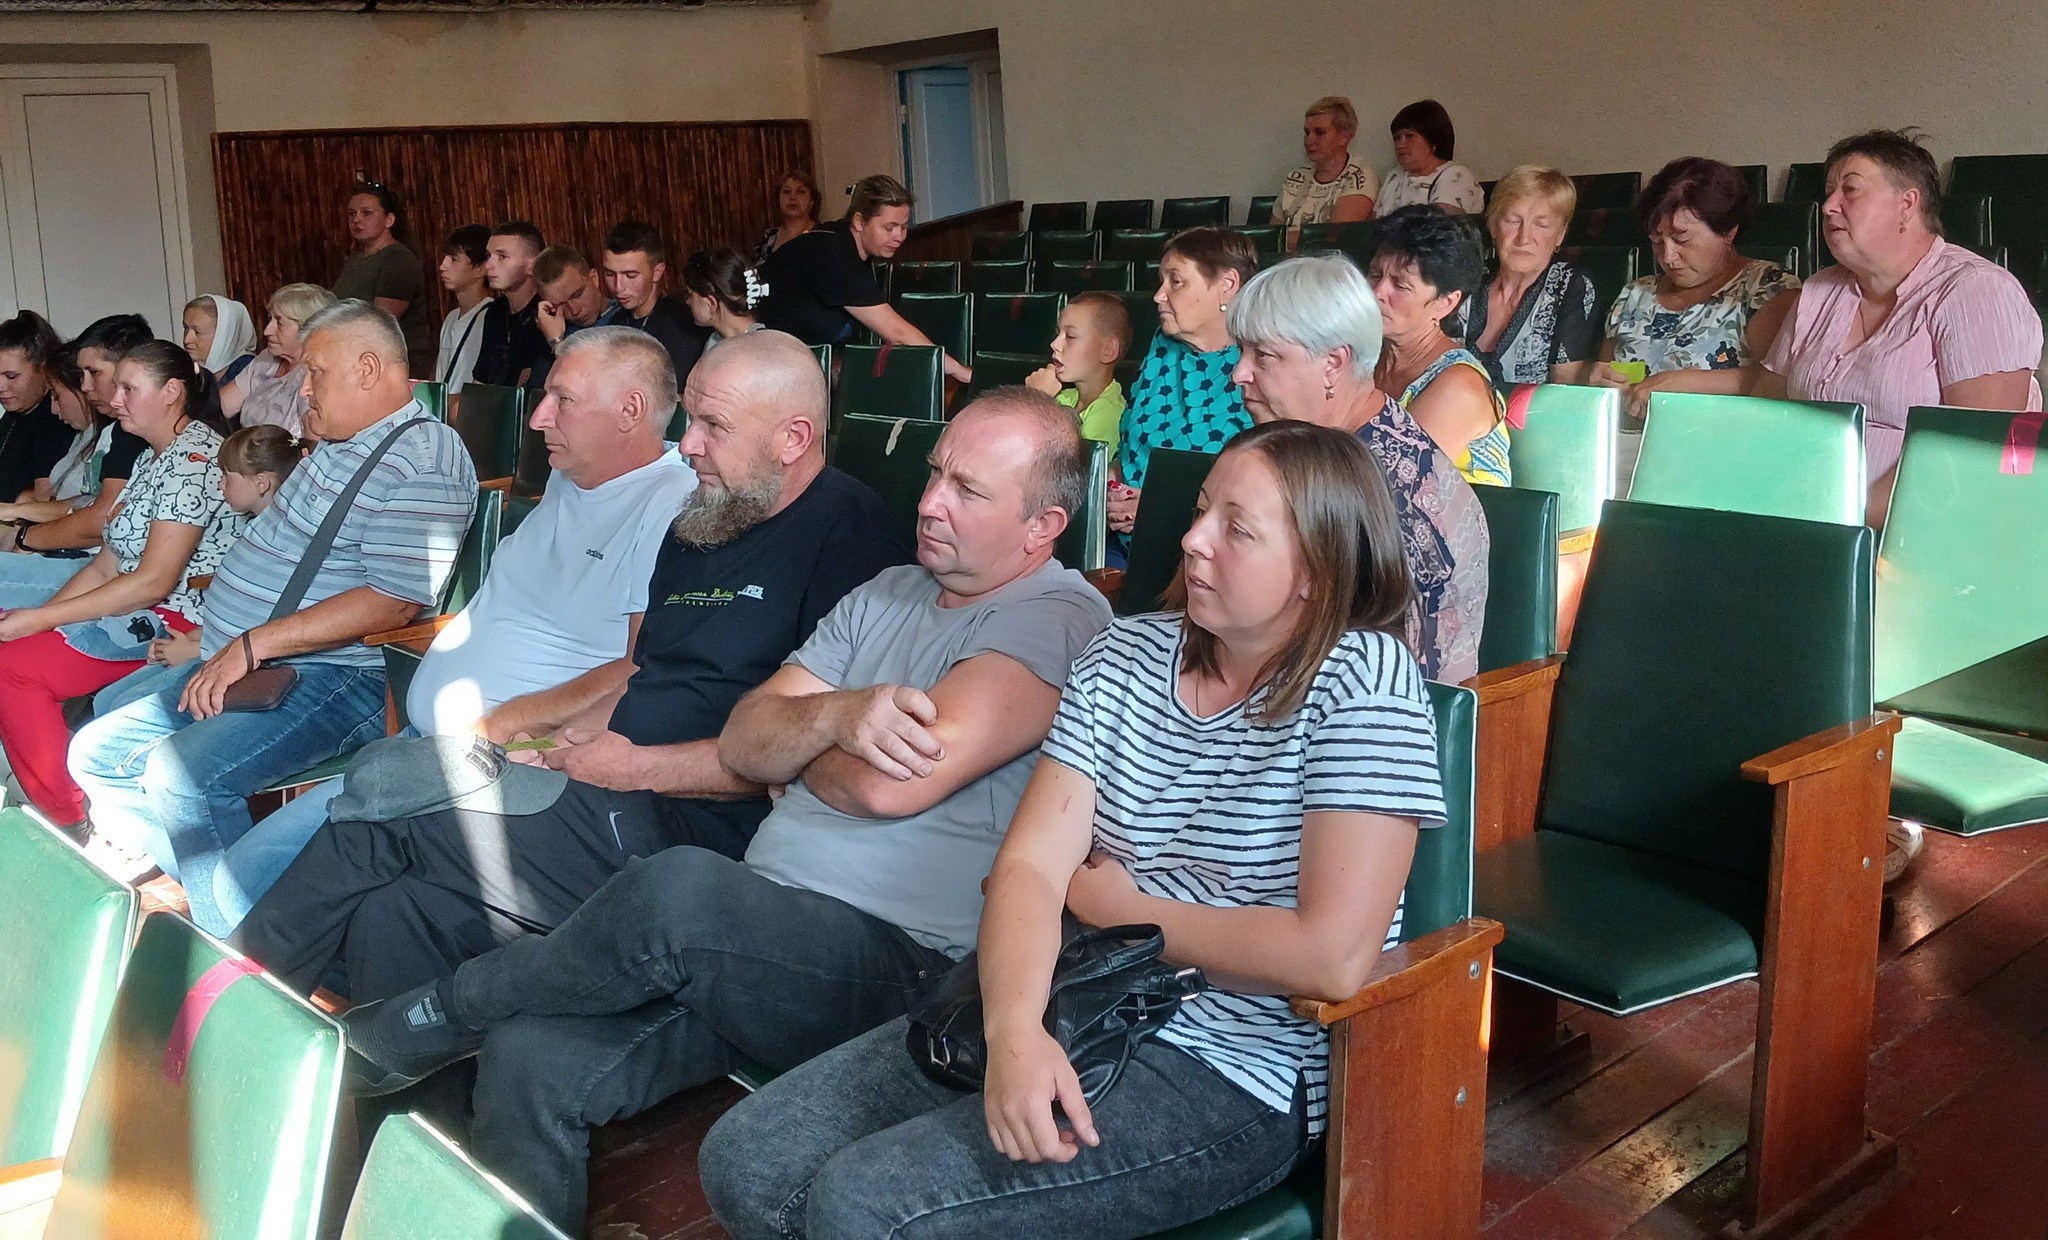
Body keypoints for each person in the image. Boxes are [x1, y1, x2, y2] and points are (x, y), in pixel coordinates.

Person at [326, 388, 1113, 1230]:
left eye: (968, 490)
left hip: (898, 961)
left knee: (680, 889)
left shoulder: (1058, 616)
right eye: (934, 474)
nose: (929, 503)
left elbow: (888, 785)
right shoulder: (888, 590)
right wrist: (841, 720)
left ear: (1043, 526)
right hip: (754, 938)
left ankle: (445, 1011)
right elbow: (745, 739)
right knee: (530, 1059)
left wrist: (798, 753)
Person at [699, 419, 1446, 1240]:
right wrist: (1015, 1033)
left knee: (867, 1206)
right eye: (1201, 510)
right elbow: (1028, 869)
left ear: (1316, 571)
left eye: (1237, 529)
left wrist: (1124, 912)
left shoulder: (1365, 681)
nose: (1193, 540)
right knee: (747, 1159)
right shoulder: (1124, 655)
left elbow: (1330, 956)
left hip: (1231, 1063)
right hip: (1064, 992)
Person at [231, 330, 910, 1006]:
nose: (689, 444)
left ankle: (217, 1017)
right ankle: (382, 1068)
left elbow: (814, 751)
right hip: (602, 788)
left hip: (693, 826)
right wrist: (544, 744)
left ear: (793, 439)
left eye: (714, 426)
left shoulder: (850, 538)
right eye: (693, 419)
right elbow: (644, 675)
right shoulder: (705, 521)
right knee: (398, 909)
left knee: (387, 808)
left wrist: (639, 769)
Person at [171, 328, 698, 938]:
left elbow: (640, 669)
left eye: (564, 400)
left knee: (246, 888)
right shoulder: (571, 476)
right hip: (422, 748)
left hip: (503, 764)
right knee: (246, 887)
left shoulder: (669, 505)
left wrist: (504, 724)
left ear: (630, 411)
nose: (539, 418)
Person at [69, 301, 478, 933]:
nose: (303, 387)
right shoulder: (337, 444)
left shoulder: (423, 457)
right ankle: (243, 906)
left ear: (368, 370)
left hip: (338, 676)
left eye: (316, 372)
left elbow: (393, 600)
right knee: (96, 754)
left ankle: (237, 937)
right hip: (248, 657)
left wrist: (253, 642)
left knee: (181, 780)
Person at [0, 342, 243, 827]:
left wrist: (43, 620)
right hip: (136, 607)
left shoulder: (193, 460)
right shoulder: (153, 459)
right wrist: (40, 620)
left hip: (180, 620)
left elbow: (154, 581)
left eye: (130, 389)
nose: (115, 400)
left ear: (171, 392)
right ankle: (51, 798)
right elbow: (105, 566)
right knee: (16, 643)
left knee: (14, 669)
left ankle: (69, 815)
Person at [1759, 129, 2043, 524]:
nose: (1828, 206)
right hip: (1797, 512)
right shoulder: (1819, 291)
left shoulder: (1975, 290)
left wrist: (1844, 519)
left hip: (1925, 529)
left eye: (1850, 190)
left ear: (1907, 204)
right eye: (1828, 193)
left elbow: (1974, 449)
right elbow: (1765, 412)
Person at [1231, 253, 1490, 683]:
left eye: (1264, 356)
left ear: (1333, 363)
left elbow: (1380, 671)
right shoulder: (1329, 445)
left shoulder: (1385, 489)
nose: (1239, 373)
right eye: (1241, 352)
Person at [94, 423, 306, 722]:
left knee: (121, 705)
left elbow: (262, 620)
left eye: (228, 476)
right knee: (106, 699)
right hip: (211, 643)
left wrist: (193, 650)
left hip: (234, 658)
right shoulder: (252, 530)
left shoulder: (280, 543)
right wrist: (186, 640)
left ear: (261, 483)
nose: (220, 485)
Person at [1595, 157, 1800, 420]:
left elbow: (1782, 380)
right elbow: (1609, 371)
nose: (1668, 257)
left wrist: (1684, 381)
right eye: (1657, 241)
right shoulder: (1635, 294)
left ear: (1728, 232)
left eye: (1682, 240)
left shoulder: (1766, 287)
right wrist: (1600, 379)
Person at [1112, 227, 1257, 540]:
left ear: (1227, 285)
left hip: (1203, 544)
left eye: (1175, 281)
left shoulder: (1260, 363)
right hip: (1121, 534)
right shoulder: (1164, 344)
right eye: (1161, 281)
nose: (1158, 295)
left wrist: (1159, 507)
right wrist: (1110, 484)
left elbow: (1258, 493)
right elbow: (1130, 445)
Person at [758, 174, 972, 383]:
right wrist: (960, 372)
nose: (899, 237)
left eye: (904, 227)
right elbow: (897, 333)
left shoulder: (840, 239)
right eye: (889, 228)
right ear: (859, 222)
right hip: (767, 360)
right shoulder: (835, 254)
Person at [0, 315, 153, 572]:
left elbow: (100, 517)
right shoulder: (111, 433)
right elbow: (85, 503)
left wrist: (27, 536)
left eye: (93, 373)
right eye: (82, 376)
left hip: (82, 560)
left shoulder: (130, 435)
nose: (86, 386)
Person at [1371, 205, 1510, 485]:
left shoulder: (1459, 387)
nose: (1377, 292)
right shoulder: (1367, 358)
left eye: (1400, 285)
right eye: (1375, 274)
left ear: (1445, 303)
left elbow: (1389, 483)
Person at [1462, 166, 1602, 385]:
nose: (1524, 238)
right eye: (1513, 221)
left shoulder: (1569, 286)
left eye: (1542, 224)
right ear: (1493, 226)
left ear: (1560, 235)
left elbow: (1564, 387)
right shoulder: (1466, 279)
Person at [332, 180, 433, 378]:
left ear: (389, 220)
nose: (357, 220)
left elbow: (380, 321)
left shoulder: (398, 260)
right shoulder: (357, 258)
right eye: (352, 214)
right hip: (358, 356)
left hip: (393, 365)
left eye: (366, 213)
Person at [603, 219, 709, 388]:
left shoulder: (683, 325)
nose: (618, 287)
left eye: (630, 276)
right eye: (610, 274)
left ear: (657, 272)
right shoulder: (615, 323)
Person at [222, 283, 339, 436]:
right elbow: (222, 406)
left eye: (279, 322)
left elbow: (314, 441)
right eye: (270, 319)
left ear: (309, 328)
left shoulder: (318, 374)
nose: (267, 331)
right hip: (249, 447)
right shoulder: (267, 360)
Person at [1025, 291, 1131, 450]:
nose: (1054, 344)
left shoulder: (1108, 414)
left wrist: (1038, 400)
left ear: (1108, 351)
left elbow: (1065, 462)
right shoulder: (1064, 397)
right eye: (1057, 334)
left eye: (1071, 336)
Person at [0, 311, 82, 507]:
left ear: (43, 370)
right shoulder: (15, 413)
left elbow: (44, 497)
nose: (1, 386)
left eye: (12, 376)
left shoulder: (53, 418)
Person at [1272, 95, 1376, 238]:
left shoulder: (1360, 177)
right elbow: (1272, 235)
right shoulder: (1295, 177)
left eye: (1320, 132)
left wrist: (1283, 239)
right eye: (1307, 132)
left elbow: (1334, 237)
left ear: (1344, 137)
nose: (1309, 141)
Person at [473, 221, 548, 389]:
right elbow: (481, 382)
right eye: (488, 256)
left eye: (502, 257)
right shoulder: (495, 312)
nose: (488, 265)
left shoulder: (546, 312)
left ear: (533, 265)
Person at [1376, 100, 1485, 215]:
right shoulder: (1394, 176)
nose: (1400, 145)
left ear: (1433, 141)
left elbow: (1440, 223)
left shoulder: (1457, 175)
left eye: (1409, 136)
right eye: (1397, 138)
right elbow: (1372, 222)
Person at [433, 224, 495, 398]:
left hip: (470, 408)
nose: (443, 266)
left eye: (454, 259)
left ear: (481, 268)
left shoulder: (490, 317)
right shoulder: (451, 318)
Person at [679, 247, 765, 349]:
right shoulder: (715, 341)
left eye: (690, 294)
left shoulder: (760, 348)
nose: (688, 301)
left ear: (711, 303)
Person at [181, 295, 260, 384]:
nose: (186, 340)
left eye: (197, 332)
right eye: (185, 328)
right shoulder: (192, 372)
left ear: (223, 335)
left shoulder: (249, 370)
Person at [755, 168, 821, 264]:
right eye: (786, 191)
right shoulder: (768, 237)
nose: (792, 197)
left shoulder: (822, 235)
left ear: (812, 202)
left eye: (801, 191)